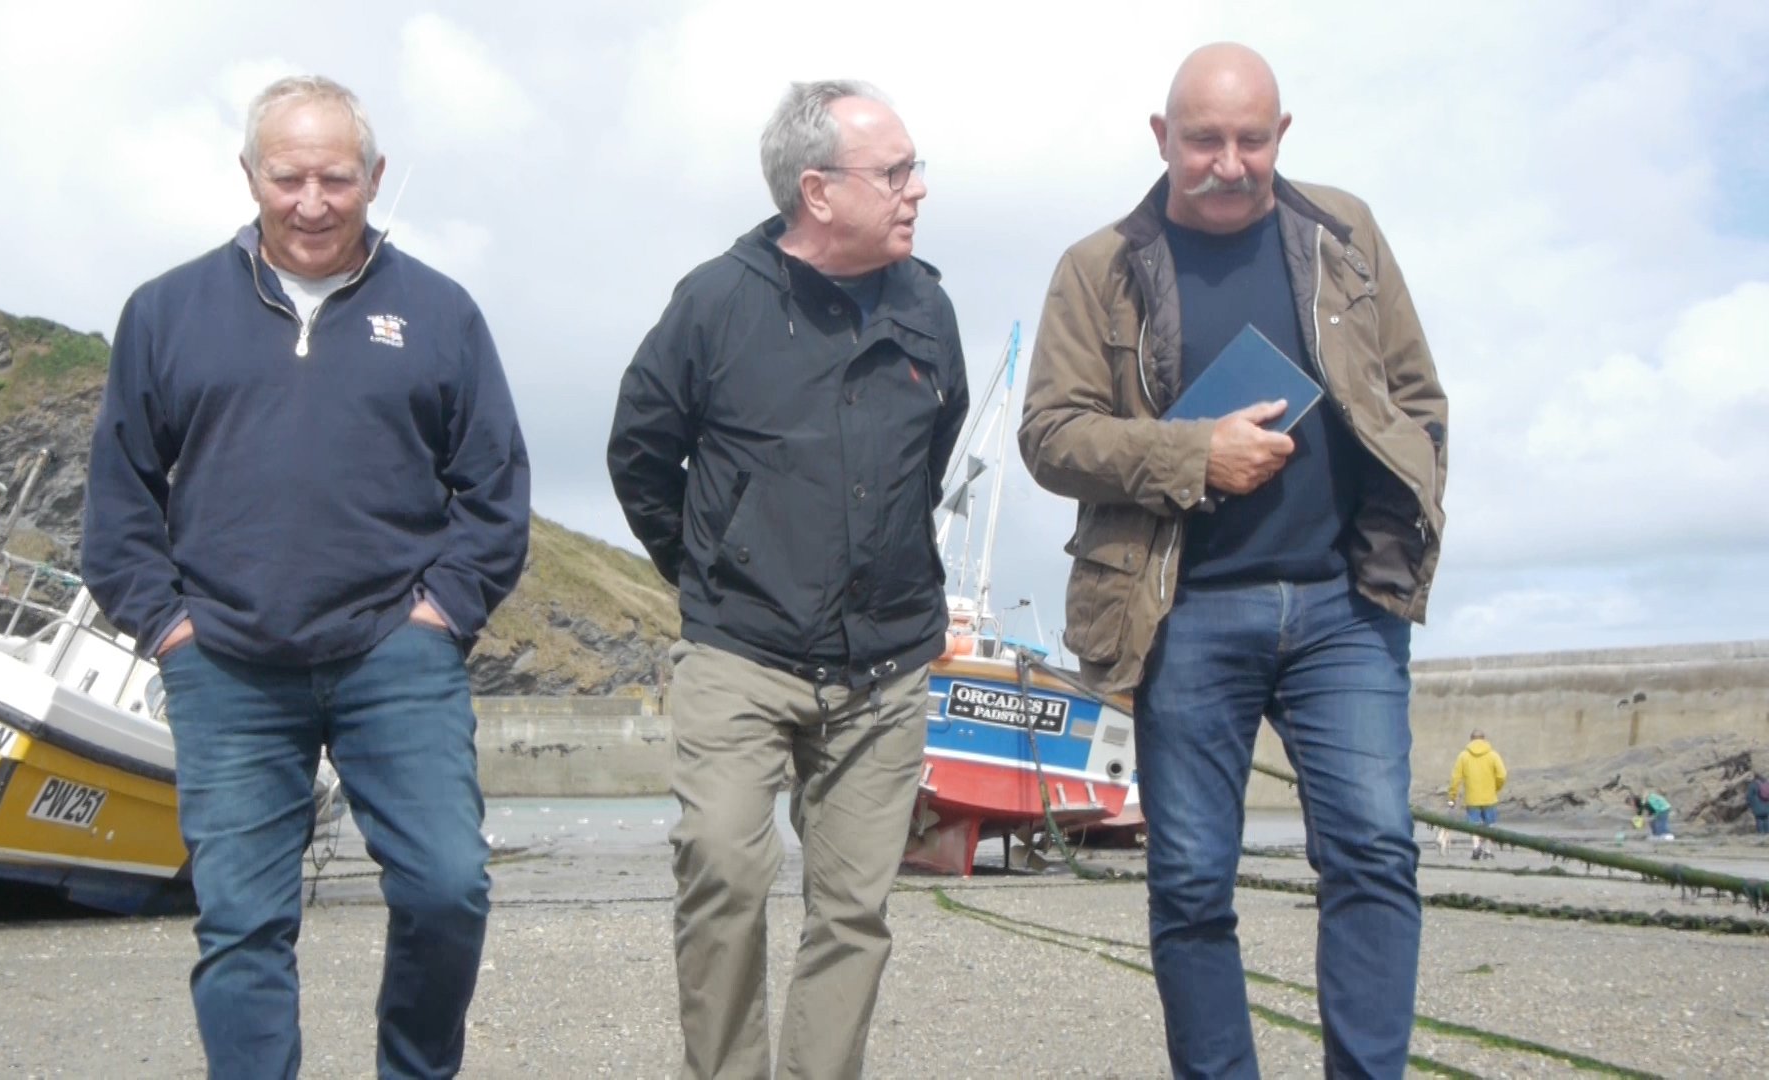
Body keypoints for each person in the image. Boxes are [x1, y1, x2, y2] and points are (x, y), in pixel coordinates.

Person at [83, 75, 530, 1079]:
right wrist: (170, 632)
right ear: (252, 176)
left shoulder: (441, 313)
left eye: (337, 177)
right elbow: (118, 508)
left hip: (394, 654)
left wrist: (438, 615)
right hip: (227, 665)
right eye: (289, 177)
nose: (313, 201)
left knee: (447, 888)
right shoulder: (165, 313)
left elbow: (495, 492)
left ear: (373, 177)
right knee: (243, 923)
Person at [1017, 43, 1448, 1079]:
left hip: (1346, 607)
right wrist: (1189, 452)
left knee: (1376, 857)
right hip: (1183, 615)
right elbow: (1049, 436)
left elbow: (1417, 403)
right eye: (1204, 140)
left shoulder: (1345, 233)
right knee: (1193, 884)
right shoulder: (1098, 266)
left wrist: (1398, 538)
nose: (1229, 162)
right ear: (1162, 139)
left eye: (1251, 140)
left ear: (1282, 136)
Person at [608, 79, 968, 1080]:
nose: (916, 189)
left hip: (887, 665)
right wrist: (714, 570)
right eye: (894, 171)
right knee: (723, 868)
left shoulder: (930, 309)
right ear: (818, 191)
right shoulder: (715, 304)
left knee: (854, 912)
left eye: (913, 167)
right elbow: (639, 455)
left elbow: (930, 459)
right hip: (741, 654)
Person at [1448, 730, 1507, 860]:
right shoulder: (1493, 755)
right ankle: (1488, 850)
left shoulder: (1463, 756)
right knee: (1490, 824)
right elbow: (1502, 774)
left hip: (1472, 797)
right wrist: (1496, 787)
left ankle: (1476, 847)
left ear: (1470, 740)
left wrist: (1452, 795)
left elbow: (1456, 778)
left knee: (1473, 824)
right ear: (1484, 739)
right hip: (1489, 797)